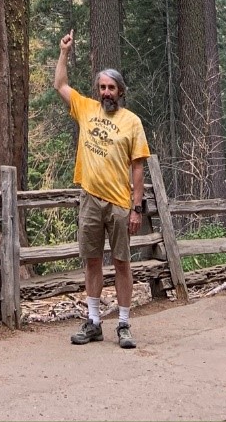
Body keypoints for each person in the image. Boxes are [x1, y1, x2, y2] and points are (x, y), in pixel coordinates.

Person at [54, 29, 150, 348]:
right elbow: (61, 85)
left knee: (122, 261)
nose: (106, 92)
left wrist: (137, 207)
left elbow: (138, 167)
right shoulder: (86, 109)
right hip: (90, 199)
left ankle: (123, 324)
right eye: (102, 87)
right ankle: (94, 321)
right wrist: (64, 52)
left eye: (111, 88)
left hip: (120, 203)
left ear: (120, 91)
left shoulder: (132, 122)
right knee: (92, 259)